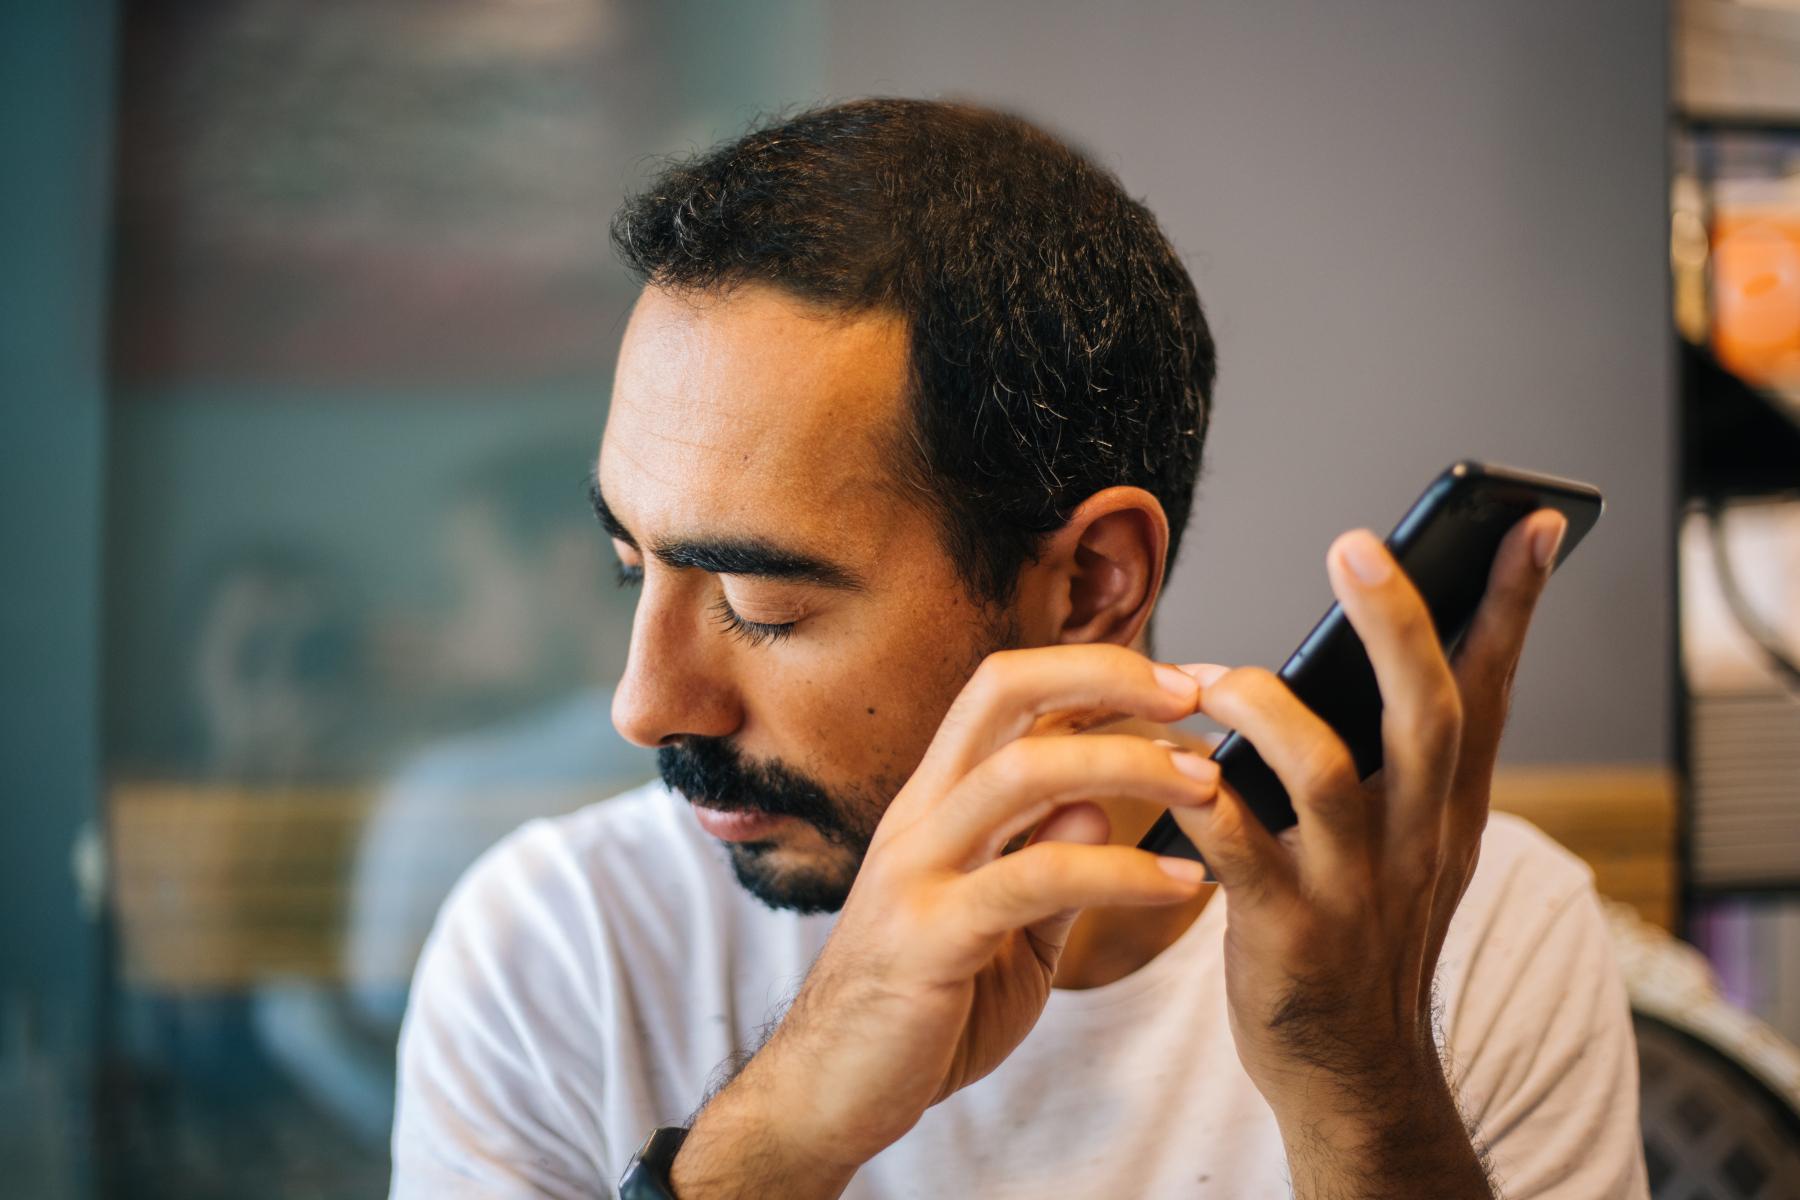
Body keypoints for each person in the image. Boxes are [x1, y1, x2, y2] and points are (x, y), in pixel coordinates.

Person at [390, 99, 1649, 1199]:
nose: (645, 702)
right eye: (634, 567)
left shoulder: (1481, 941)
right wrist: (775, 1143)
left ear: (1092, 583)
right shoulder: (557, 946)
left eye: (764, 602)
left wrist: (1357, 1080)